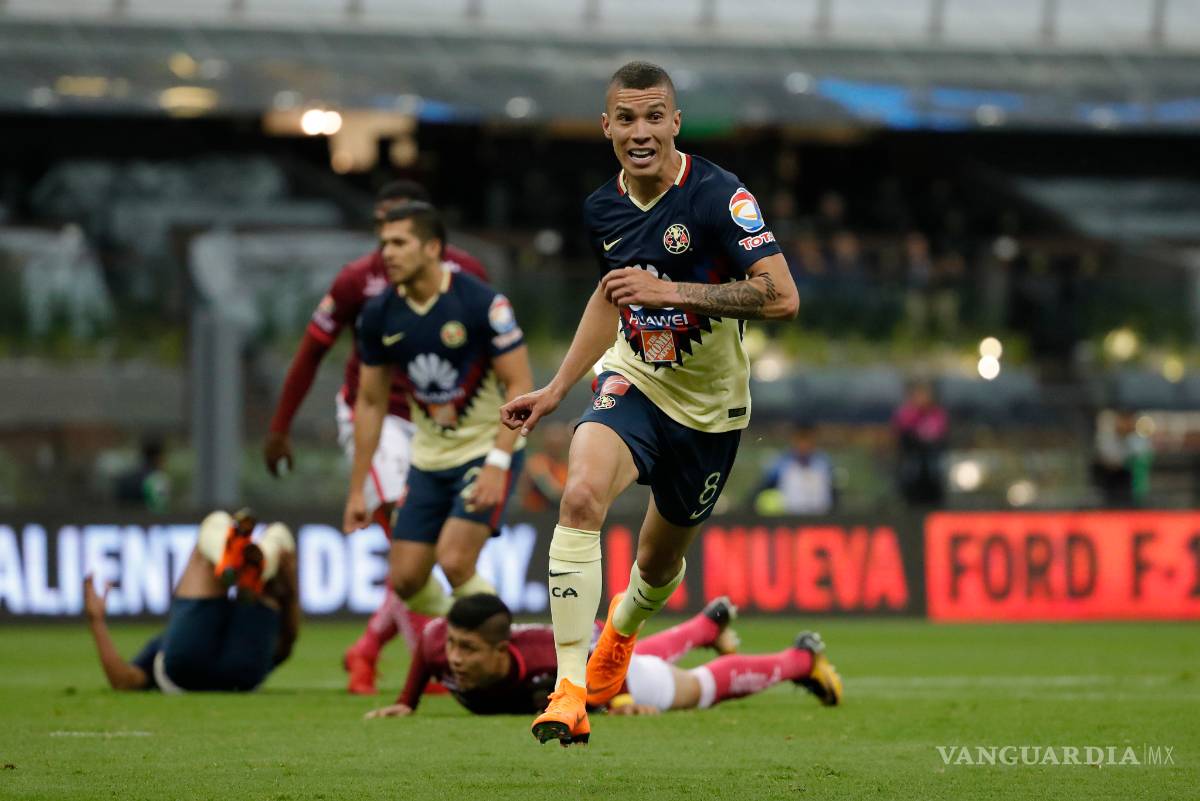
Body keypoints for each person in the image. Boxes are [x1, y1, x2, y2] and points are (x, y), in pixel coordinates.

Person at [500, 61, 800, 746]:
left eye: (653, 116)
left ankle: (626, 625)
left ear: (675, 122)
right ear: (607, 126)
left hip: (712, 413)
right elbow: (612, 298)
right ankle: (570, 689)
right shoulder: (601, 208)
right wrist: (555, 390)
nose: (641, 131)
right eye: (626, 119)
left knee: (658, 564)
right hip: (633, 381)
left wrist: (676, 293)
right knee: (579, 497)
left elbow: (782, 295)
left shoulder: (721, 197)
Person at [263, 179, 488, 695]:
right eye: (382, 234)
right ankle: (429, 660)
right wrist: (279, 427)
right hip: (375, 415)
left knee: (421, 553)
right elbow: (310, 353)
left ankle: (367, 647)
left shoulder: (468, 276)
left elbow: (487, 353)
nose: (388, 246)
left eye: (400, 234)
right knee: (406, 535)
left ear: (428, 237)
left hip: (435, 424)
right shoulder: (357, 282)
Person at [344, 201, 533, 645]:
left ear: (432, 247)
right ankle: (490, 626)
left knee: (454, 559)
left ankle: (505, 646)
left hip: (485, 451)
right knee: (406, 579)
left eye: (399, 243)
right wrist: (357, 489)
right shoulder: (379, 315)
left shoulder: (480, 302)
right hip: (428, 461)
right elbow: (370, 403)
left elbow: (520, 386)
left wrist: (497, 464)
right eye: (383, 244)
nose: (387, 253)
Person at [364, 594, 840, 741]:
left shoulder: (547, 657)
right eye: (452, 647)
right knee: (650, 657)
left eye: (468, 651)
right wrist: (405, 702)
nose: (454, 659)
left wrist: (623, 698)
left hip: (600, 664)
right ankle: (705, 630)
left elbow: (603, 644)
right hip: (591, 661)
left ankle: (800, 659)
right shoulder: (434, 646)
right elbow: (425, 659)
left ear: (499, 650)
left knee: (692, 688)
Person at [83, 509, 298, 692]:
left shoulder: (170, 639)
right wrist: (291, 593)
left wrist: (97, 622)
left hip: (186, 671)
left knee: (216, 521)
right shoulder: (256, 638)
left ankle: (229, 559)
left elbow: (125, 680)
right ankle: (258, 566)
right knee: (279, 535)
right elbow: (286, 645)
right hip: (244, 676)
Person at [754, 422, 836, 516]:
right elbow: (762, 488)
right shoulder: (782, 463)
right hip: (789, 521)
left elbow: (834, 495)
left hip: (821, 522)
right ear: (793, 440)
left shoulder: (824, 463)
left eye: (808, 439)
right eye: (800, 439)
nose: (804, 444)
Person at [892, 380, 948, 507]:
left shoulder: (937, 414)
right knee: (911, 470)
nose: (921, 398)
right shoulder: (907, 413)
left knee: (935, 468)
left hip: (931, 455)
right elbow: (902, 435)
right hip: (913, 455)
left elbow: (940, 435)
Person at [114, 437, 170, 512]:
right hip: (150, 521)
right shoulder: (158, 479)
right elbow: (160, 507)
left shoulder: (127, 478)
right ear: (157, 457)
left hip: (126, 520)